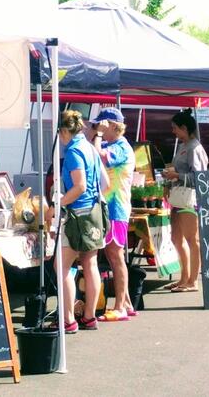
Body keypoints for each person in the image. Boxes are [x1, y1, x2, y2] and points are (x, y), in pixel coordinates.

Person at [47, 110, 104, 333]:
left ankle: (68, 319)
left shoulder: (73, 151)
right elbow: (103, 183)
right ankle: (89, 316)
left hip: (77, 215)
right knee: (90, 265)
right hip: (93, 212)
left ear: (63, 131)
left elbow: (79, 186)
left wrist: (57, 204)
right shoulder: (89, 147)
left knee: (61, 266)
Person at [92, 108, 137, 322]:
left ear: (111, 125)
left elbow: (102, 157)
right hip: (111, 207)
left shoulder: (121, 147)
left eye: (101, 125)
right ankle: (126, 302)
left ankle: (119, 305)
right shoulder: (115, 144)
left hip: (116, 208)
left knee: (116, 255)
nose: (98, 129)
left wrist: (98, 136)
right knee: (112, 255)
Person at [163, 110, 208, 292]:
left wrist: (176, 175)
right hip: (179, 198)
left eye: (175, 128)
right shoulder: (184, 145)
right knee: (176, 238)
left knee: (192, 239)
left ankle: (192, 280)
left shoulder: (194, 148)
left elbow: (200, 177)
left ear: (184, 128)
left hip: (189, 199)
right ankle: (184, 278)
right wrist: (171, 178)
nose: (173, 131)